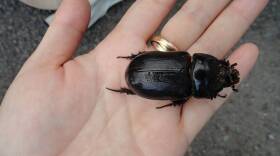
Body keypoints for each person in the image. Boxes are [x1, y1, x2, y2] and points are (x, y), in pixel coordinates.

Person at [0, 0, 268, 155]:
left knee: (149, 80)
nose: (221, 71)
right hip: (141, 77)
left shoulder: (187, 59)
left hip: (141, 75)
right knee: (164, 91)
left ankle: (128, 83)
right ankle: (128, 85)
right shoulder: (186, 88)